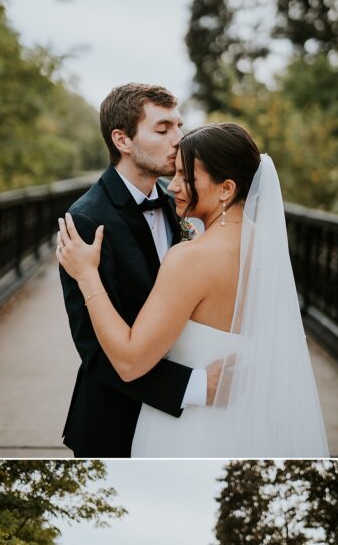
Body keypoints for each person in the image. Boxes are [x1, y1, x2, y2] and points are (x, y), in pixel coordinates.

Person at [59, 119, 329, 457]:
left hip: (186, 427)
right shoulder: (268, 245)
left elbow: (128, 362)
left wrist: (87, 275)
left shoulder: (190, 258)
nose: (172, 186)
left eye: (186, 177)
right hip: (245, 422)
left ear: (226, 189)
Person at [57, 83, 223, 457]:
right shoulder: (85, 220)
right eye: (162, 130)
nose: (179, 140)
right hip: (117, 421)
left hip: (181, 427)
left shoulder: (179, 202)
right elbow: (96, 350)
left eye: (179, 127)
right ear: (123, 140)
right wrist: (197, 387)